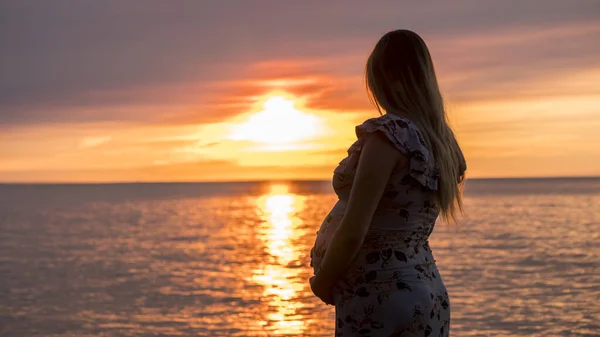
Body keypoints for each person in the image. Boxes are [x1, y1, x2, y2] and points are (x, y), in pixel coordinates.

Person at [309, 29, 467, 336]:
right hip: (426, 294)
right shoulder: (441, 140)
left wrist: (323, 280)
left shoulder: (390, 135)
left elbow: (355, 228)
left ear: (387, 79)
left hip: (382, 296)